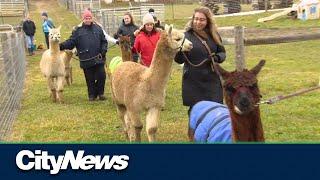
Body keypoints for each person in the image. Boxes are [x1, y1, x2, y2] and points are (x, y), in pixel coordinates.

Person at [174, 7, 226, 116]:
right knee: (196, 113)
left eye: (202, 19)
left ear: (208, 21)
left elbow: (222, 53)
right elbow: (178, 60)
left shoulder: (214, 35)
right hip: (193, 81)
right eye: (196, 19)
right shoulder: (186, 36)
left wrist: (216, 58)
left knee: (215, 111)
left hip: (212, 80)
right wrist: (179, 51)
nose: (198, 22)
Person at [59, 10, 108, 101]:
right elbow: (71, 42)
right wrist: (61, 46)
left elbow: (104, 41)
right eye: (86, 18)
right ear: (83, 19)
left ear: (92, 18)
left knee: (102, 76)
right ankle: (92, 95)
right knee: (90, 79)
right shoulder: (78, 31)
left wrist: (103, 50)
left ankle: (100, 93)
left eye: (89, 18)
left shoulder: (98, 28)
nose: (88, 20)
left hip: (98, 57)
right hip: (86, 59)